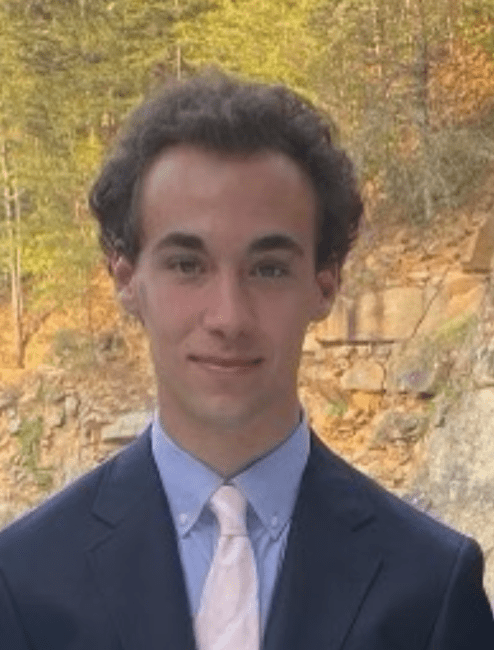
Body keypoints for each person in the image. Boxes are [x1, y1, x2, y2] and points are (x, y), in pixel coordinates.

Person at [0, 71, 493, 650]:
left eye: (268, 268)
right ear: (127, 281)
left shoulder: (431, 586)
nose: (229, 317)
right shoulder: (25, 582)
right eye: (188, 264)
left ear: (324, 285)